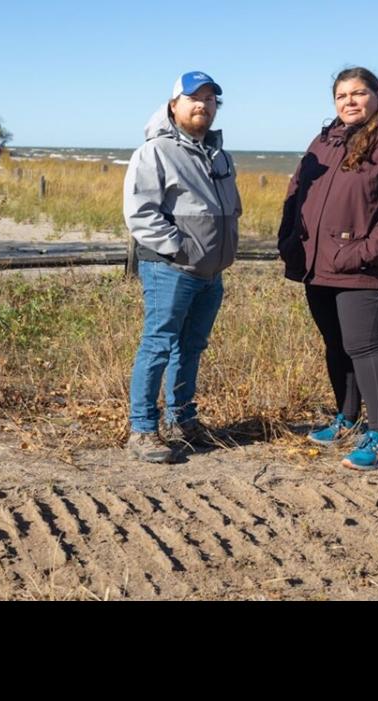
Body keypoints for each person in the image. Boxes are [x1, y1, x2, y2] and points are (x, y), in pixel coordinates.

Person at [278, 67, 378, 471]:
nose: (349, 101)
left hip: (367, 268)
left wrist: (365, 251)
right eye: (341, 95)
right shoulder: (325, 141)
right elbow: (296, 193)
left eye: (359, 93)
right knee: (337, 343)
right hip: (319, 265)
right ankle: (346, 420)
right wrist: (289, 239)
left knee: (366, 346)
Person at [122, 71, 242, 464]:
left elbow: (229, 208)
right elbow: (140, 214)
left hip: (211, 273)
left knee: (190, 347)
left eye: (210, 99)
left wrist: (219, 252)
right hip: (171, 270)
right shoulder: (154, 152)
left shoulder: (219, 154)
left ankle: (182, 420)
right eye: (194, 98)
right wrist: (179, 248)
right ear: (174, 105)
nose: (202, 105)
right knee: (157, 346)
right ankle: (142, 430)